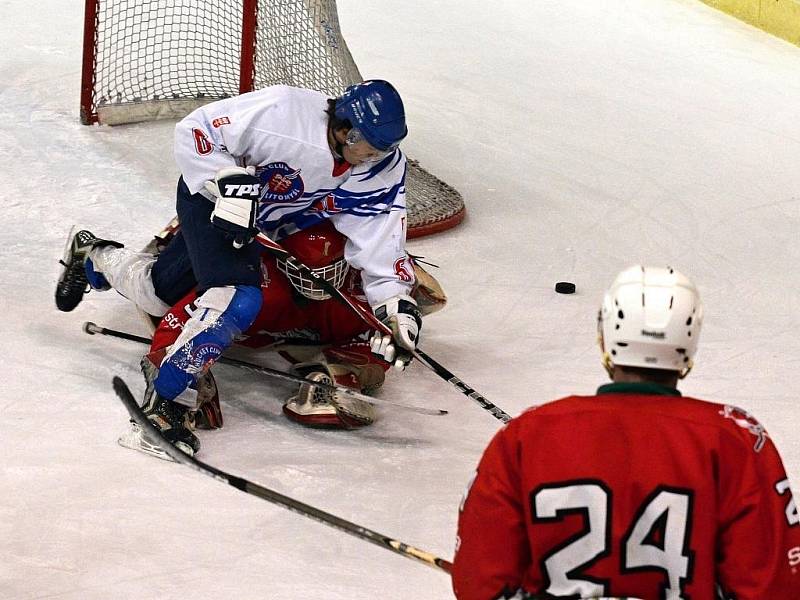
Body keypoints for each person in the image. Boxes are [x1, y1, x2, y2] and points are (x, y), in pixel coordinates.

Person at [55, 80, 424, 456]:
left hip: (265, 225)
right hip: (212, 201)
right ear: (347, 129)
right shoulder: (282, 112)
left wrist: (394, 304)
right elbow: (195, 130)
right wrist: (227, 183)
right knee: (233, 297)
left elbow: (379, 234)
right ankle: (163, 408)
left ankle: (93, 256)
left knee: (156, 291)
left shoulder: (382, 165)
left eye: (389, 146)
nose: (382, 155)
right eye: (375, 145)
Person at [452, 266, 800, 599]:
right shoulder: (735, 440)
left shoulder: (526, 436)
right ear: (690, 343)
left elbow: (479, 582)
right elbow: (773, 588)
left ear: (605, 338)